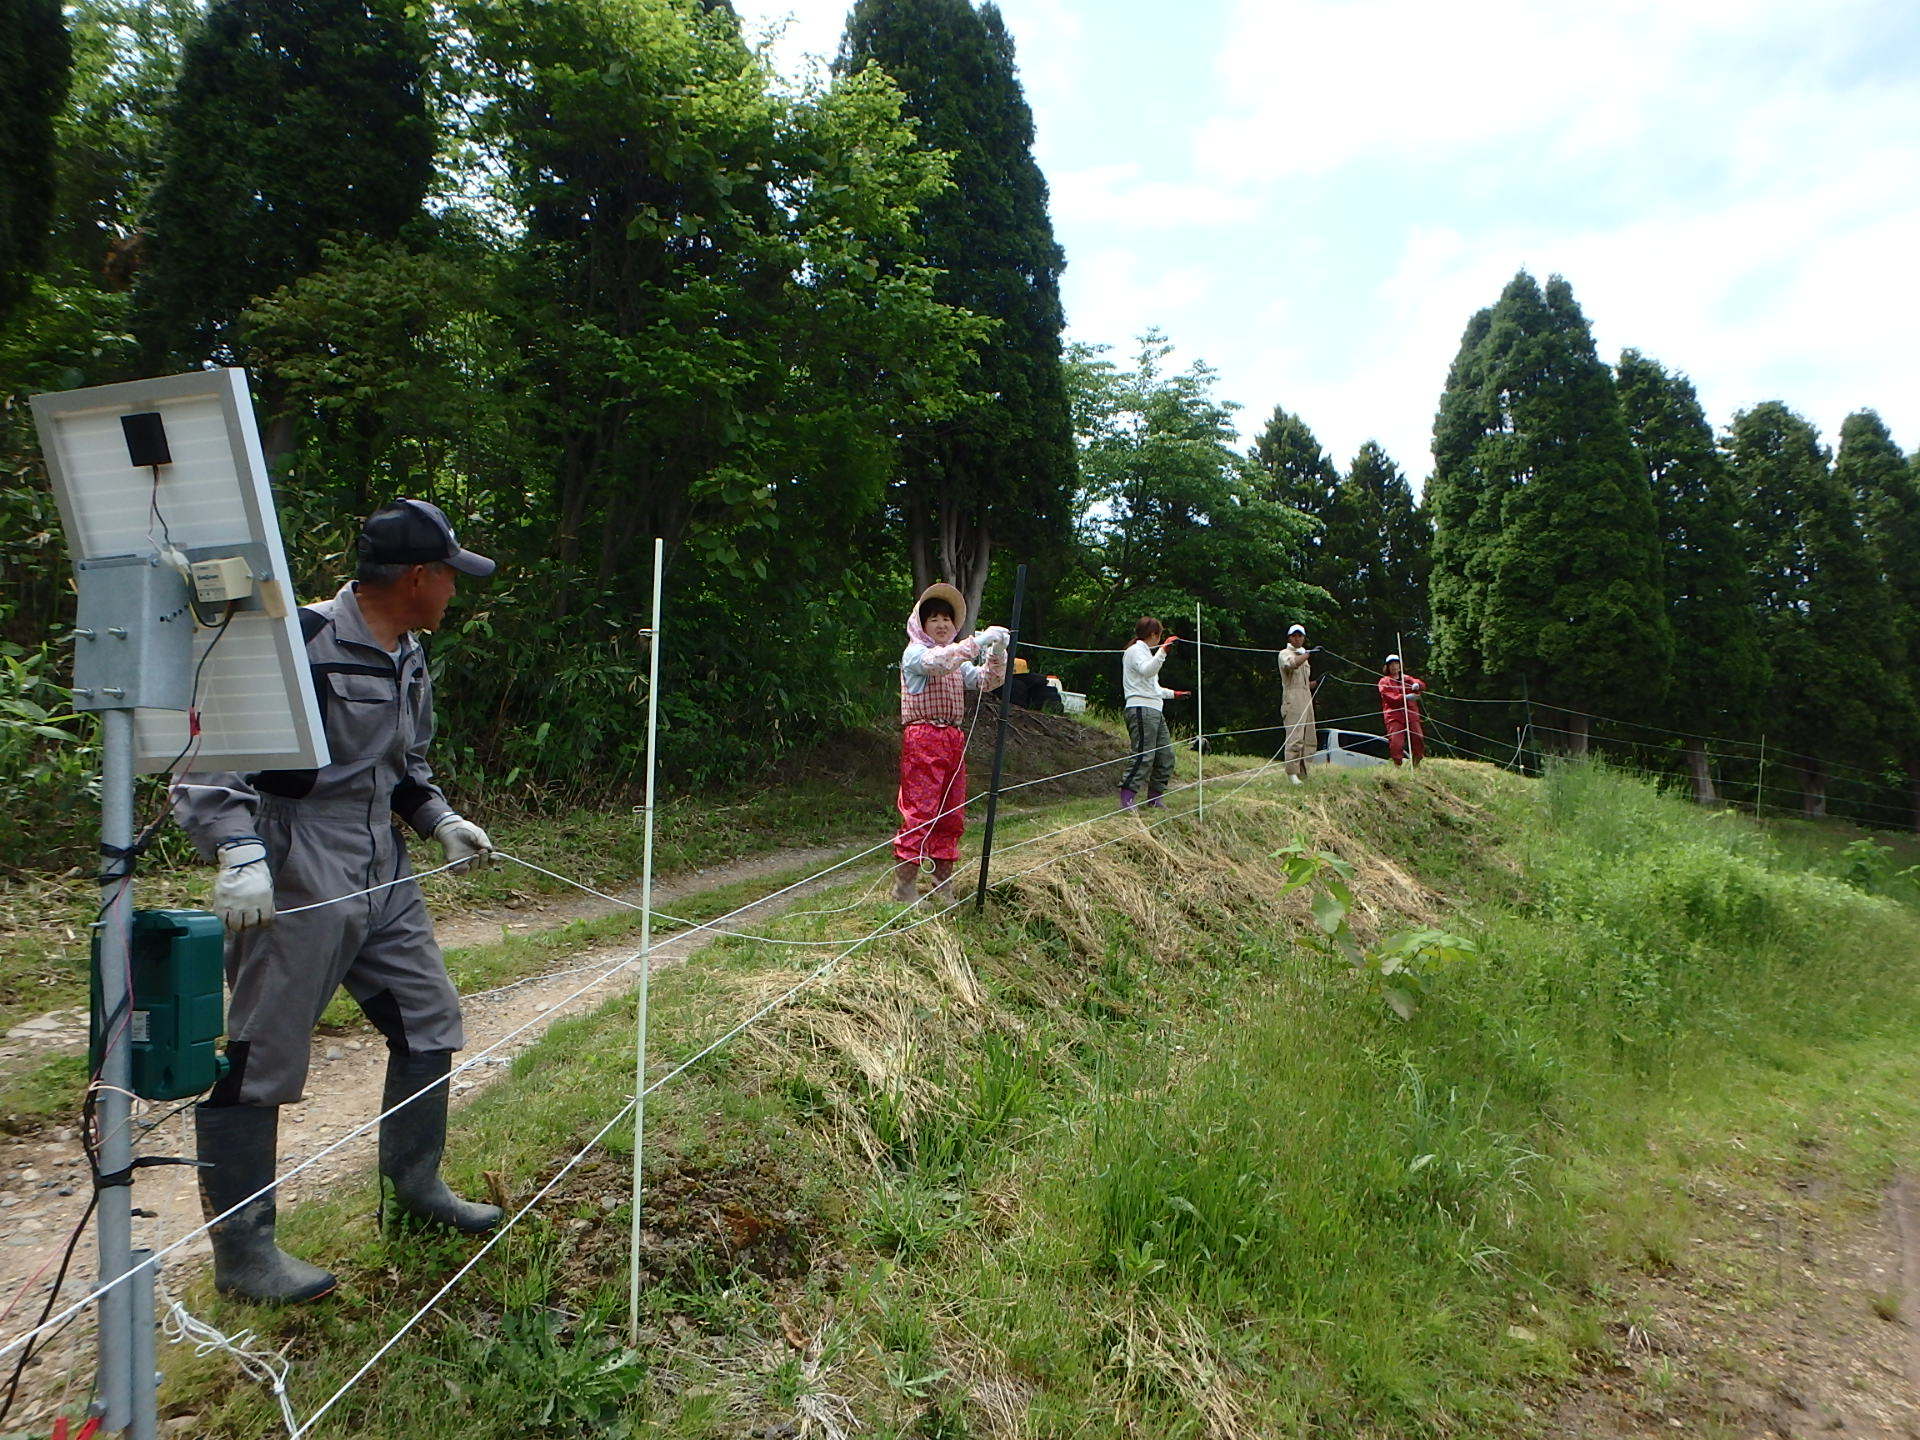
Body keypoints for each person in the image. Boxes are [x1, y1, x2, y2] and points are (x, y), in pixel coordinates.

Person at [172, 499, 503, 1303]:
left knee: (428, 1017)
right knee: (264, 1050)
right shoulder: (301, 642)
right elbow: (213, 750)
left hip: (380, 860)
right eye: (450, 577)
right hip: (297, 857)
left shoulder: (409, 652)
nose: (456, 592)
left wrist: (440, 819)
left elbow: (403, 762)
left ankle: (416, 1189)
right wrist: (238, 850)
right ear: (418, 577)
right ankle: (245, 1255)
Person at [893, 582, 1009, 903]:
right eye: (935, 619)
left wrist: (997, 651)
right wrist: (977, 642)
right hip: (923, 737)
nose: (943, 625)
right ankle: (904, 885)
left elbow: (988, 681)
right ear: (921, 624)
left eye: (947, 619)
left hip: (952, 738)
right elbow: (938, 663)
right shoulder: (916, 653)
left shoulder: (958, 661)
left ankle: (942, 885)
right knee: (920, 810)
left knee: (951, 812)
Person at [1119, 617, 1189, 809]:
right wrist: (1163, 651)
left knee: (1166, 756)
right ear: (1153, 634)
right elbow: (1147, 671)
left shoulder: (1146, 653)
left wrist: (1173, 694)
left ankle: (1155, 798)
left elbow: (1152, 687)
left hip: (1154, 709)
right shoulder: (1135, 651)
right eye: (1160, 635)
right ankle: (1127, 798)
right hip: (1141, 708)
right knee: (1144, 754)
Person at [1278, 623, 1316, 784]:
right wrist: (1308, 654)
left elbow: (1304, 682)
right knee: (1295, 736)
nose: (1297, 638)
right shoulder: (1284, 653)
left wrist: (1318, 682)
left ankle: (1303, 772)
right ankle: (1291, 773)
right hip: (1292, 699)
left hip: (1306, 698)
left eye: (1300, 635)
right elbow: (1292, 664)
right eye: (1294, 635)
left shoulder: (1303, 655)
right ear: (1289, 637)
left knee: (1309, 736)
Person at [1377, 653, 1426, 766]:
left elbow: (1422, 684)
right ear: (1387, 667)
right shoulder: (1384, 681)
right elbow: (1389, 696)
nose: (1394, 667)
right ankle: (1397, 764)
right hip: (1394, 716)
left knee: (1418, 737)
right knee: (1396, 742)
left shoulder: (1407, 678)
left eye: (1396, 664)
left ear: (1400, 665)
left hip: (1411, 713)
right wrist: (1405, 697)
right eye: (1391, 664)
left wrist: (1417, 685)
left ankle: (1416, 761)